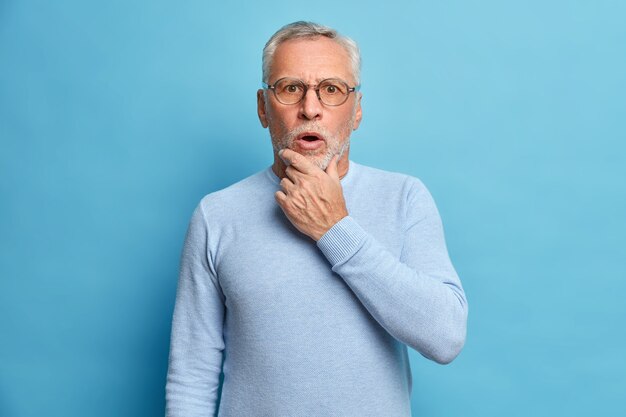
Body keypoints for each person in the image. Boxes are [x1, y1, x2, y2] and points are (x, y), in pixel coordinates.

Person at [165, 21, 468, 417]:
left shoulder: (405, 198)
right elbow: (192, 374)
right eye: (291, 88)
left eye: (331, 89)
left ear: (356, 110)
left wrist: (335, 229)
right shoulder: (216, 214)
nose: (310, 108)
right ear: (262, 107)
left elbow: (445, 337)